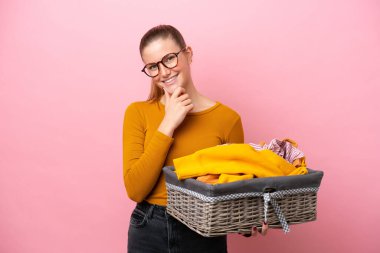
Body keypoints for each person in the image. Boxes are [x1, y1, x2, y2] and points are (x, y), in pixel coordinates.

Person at [123, 24, 244, 253]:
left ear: (188, 54)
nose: (164, 72)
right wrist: (168, 123)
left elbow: (232, 191)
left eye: (169, 59)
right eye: (153, 66)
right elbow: (135, 190)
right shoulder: (137, 113)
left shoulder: (228, 119)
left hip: (204, 230)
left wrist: (251, 223)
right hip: (149, 228)